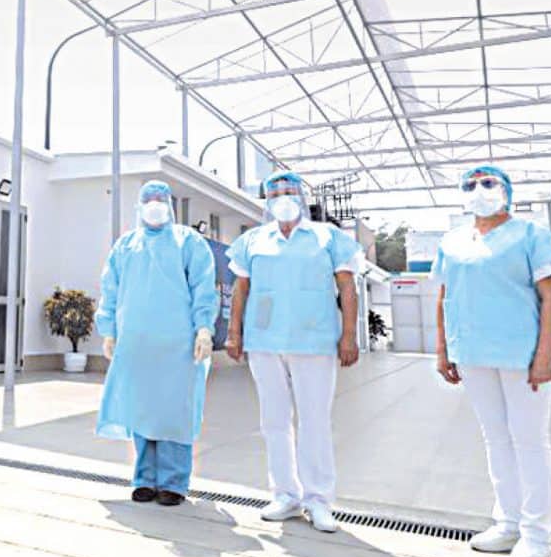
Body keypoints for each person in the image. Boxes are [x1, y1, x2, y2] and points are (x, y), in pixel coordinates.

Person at [432, 165, 551, 557]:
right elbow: (444, 297)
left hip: (523, 356)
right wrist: (443, 350)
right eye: (470, 185)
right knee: (496, 440)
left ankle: (537, 535)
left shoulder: (532, 235)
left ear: (507, 191)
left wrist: (545, 356)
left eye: (488, 183)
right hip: (474, 355)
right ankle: (507, 523)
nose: (479, 190)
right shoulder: (453, 241)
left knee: (529, 441)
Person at [226, 171, 363, 533]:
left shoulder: (327, 236)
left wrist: (349, 335)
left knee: (314, 420)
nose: (282, 198)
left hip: (314, 340)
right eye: (275, 193)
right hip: (264, 341)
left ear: (302, 196)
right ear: (266, 200)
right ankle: (285, 494)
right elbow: (241, 290)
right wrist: (234, 333)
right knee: (273, 421)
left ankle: (318, 499)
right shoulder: (253, 240)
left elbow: (347, 288)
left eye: (289, 191)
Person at [95, 180, 218, 506]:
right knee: (143, 409)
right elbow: (110, 289)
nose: (154, 205)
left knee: (174, 412)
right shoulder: (126, 246)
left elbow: (203, 287)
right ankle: (145, 479)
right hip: (137, 344)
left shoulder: (188, 241)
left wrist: (203, 329)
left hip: (178, 346)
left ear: (170, 205)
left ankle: (174, 483)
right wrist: (109, 330)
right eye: (148, 199)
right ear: (139, 206)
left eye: (160, 199)